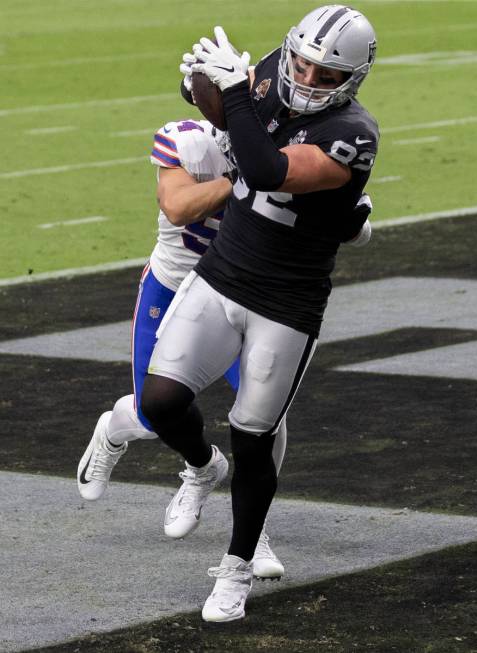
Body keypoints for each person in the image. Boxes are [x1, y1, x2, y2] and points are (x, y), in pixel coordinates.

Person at [139, 3, 378, 623]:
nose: (306, 77)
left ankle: (238, 567)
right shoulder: (273, 72)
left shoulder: (354, 131)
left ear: (351, 79)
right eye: (301, 61)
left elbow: (268, 166)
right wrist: (205, 84)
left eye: (326, 74)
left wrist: (238, 95)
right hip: (223, 272)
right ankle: (199, 465)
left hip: (285, 300)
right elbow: (225, 121)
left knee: (253, 439)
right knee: (160, 402)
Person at [76, 118, 287, 579]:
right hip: (173, 285)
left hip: (239, 292)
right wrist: (244, 178)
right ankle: (176, 455)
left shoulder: (280, 136)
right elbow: (177, 206)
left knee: (264, 415)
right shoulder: (188, 137)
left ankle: (255, 533)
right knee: (155, 414)